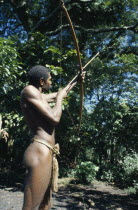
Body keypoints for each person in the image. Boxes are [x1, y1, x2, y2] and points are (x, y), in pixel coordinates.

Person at [20, 65, 85, 209]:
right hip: (39, 152)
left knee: (46, 204)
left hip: (46, 152)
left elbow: (60, 93)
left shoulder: (38, 96)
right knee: (30, 207)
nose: (52, 81)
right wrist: (60, 99)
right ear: (42, 81)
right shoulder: (29, 90)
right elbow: (55, 118)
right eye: (50, 79)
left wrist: (77, 81)